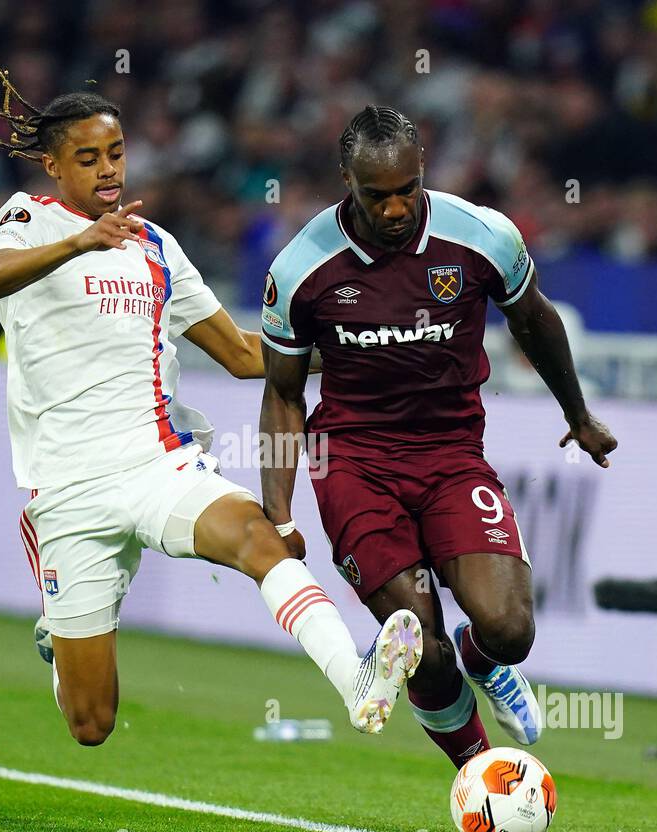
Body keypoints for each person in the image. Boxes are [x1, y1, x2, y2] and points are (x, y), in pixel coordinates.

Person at [0, 66, 422, 746]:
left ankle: (357, 679)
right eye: (87, 158)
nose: (107, 169)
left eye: (115, 153)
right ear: (53, 164)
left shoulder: (155, 246)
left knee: (258, 537)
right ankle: (60, 643)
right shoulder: (28, 221)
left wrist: (359, 346)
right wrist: (78, 242)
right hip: (68, 487)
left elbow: (241, 354)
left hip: (159, 466)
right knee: (92, 723)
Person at [259, 106, 617, 766]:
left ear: (422, 172)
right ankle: (482, 774)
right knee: (418, 646)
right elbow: (283, 391)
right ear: (346, 180)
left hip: (452, 456)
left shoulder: (481, 236)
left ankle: (489, 662)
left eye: (406, 191)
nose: (395, 210)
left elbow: (533, 321)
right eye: (376, 195)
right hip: (355, 463)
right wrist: (277, 516)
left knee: (509, 628)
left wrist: (577, 413)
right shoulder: (303, 268)